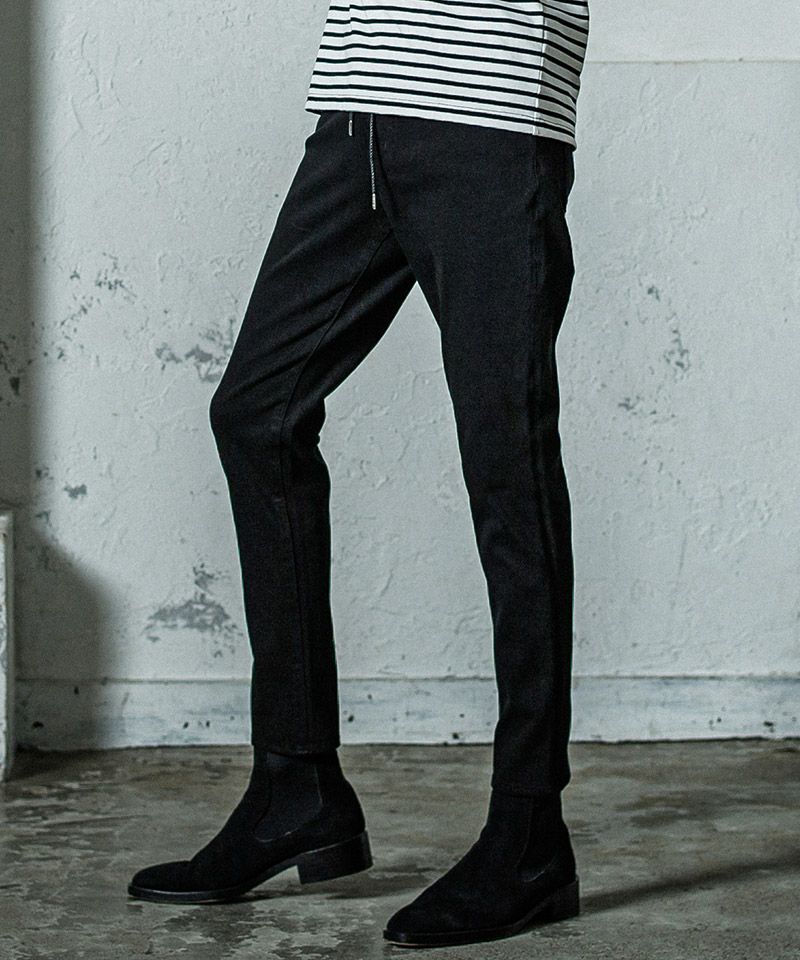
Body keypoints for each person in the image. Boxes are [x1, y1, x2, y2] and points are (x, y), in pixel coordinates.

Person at [128, 0, 590, 948]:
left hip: (492, 118)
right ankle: (295, 784)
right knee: (256, 414)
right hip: (357, 117)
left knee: (507, 467)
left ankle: (529, 833)